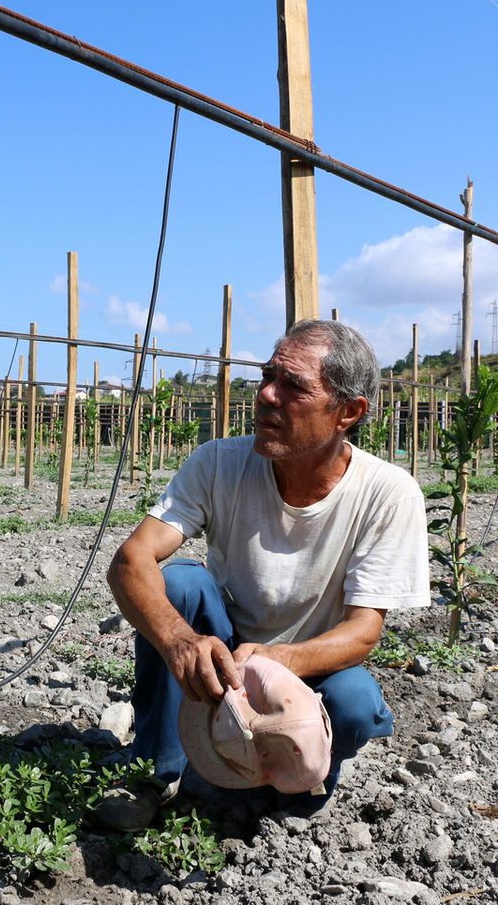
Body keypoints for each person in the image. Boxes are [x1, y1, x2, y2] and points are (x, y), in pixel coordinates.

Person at [93, 320, 430, 831]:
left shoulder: (388, 493)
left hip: (309, 667)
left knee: (355, 703)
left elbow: (363, 632)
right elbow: (131, 560)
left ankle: (295, 780)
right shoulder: (218, 463)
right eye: (267, 376)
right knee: (181, 585)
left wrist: (276, 660)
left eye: (294, 386)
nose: (267, 395)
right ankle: (156, 771)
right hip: (225, 653)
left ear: (349, 412)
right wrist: (181, 639)